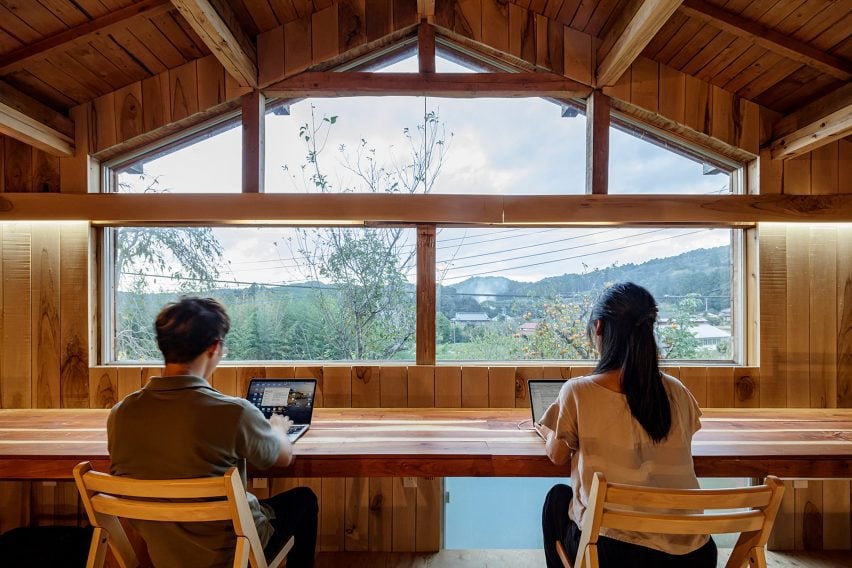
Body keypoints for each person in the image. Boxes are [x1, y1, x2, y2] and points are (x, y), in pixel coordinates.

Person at [107, 297, 318, 568]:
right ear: (214, 347)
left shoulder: (121, 414)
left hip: (165, 552)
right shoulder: (234, 413)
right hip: (234, 553)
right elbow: (282, 458)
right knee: (304, 501)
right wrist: (277, 429)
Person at [538, 282, 717, 567]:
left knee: (557, 501)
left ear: (598, 327)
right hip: (694, 554)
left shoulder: (578, 392)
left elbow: (557, 455)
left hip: (616, 556)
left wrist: (549, 427)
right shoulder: (677, 391)